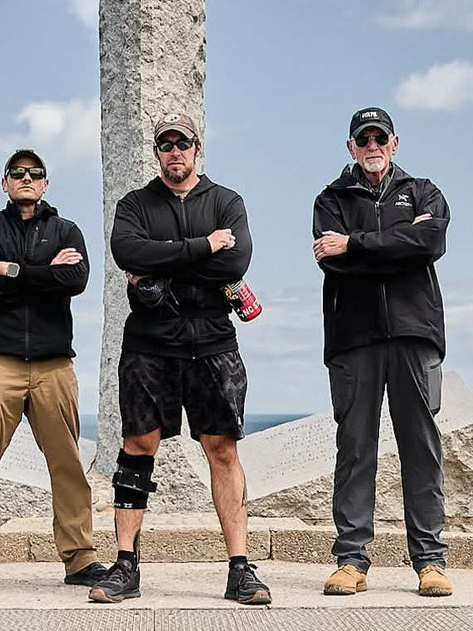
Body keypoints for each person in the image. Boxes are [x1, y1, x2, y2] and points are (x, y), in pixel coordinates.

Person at [88, 113, 271, 606]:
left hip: (213, 342)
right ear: (157, 152)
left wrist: (162, 262)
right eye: (165, 144)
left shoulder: (226, 202)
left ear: (196, 148)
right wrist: (203, 248)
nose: (174, 152)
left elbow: (235, 263)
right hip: (150, 344)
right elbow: (127, 250)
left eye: (182, 144)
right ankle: (126, 564)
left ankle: (240, 568)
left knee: (222, 449)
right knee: (138, 445)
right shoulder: (135, 205)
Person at [0, 150, 107, 596]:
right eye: (17, 173)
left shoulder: (66, 230)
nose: (26, 178)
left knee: (67, 465)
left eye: (35, 173)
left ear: (45, 184)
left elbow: (75, 282)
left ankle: (80, 558)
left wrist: (7, 272)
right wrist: (42, 273)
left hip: (54, 365)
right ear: (4, 182)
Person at [312, 107, 452, 598]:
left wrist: (354, 243)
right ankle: (351, 561)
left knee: (422, 449)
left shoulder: (424, 192)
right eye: (362, 138)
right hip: (354, 340)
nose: (372, 145)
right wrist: (393, 247)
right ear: (351, 147)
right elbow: (335, 266)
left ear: (395, 143)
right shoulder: (330, 199)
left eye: (380, 137)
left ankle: (430, 562)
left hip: (415, 335)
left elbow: (429, 241)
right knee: (355, 451)